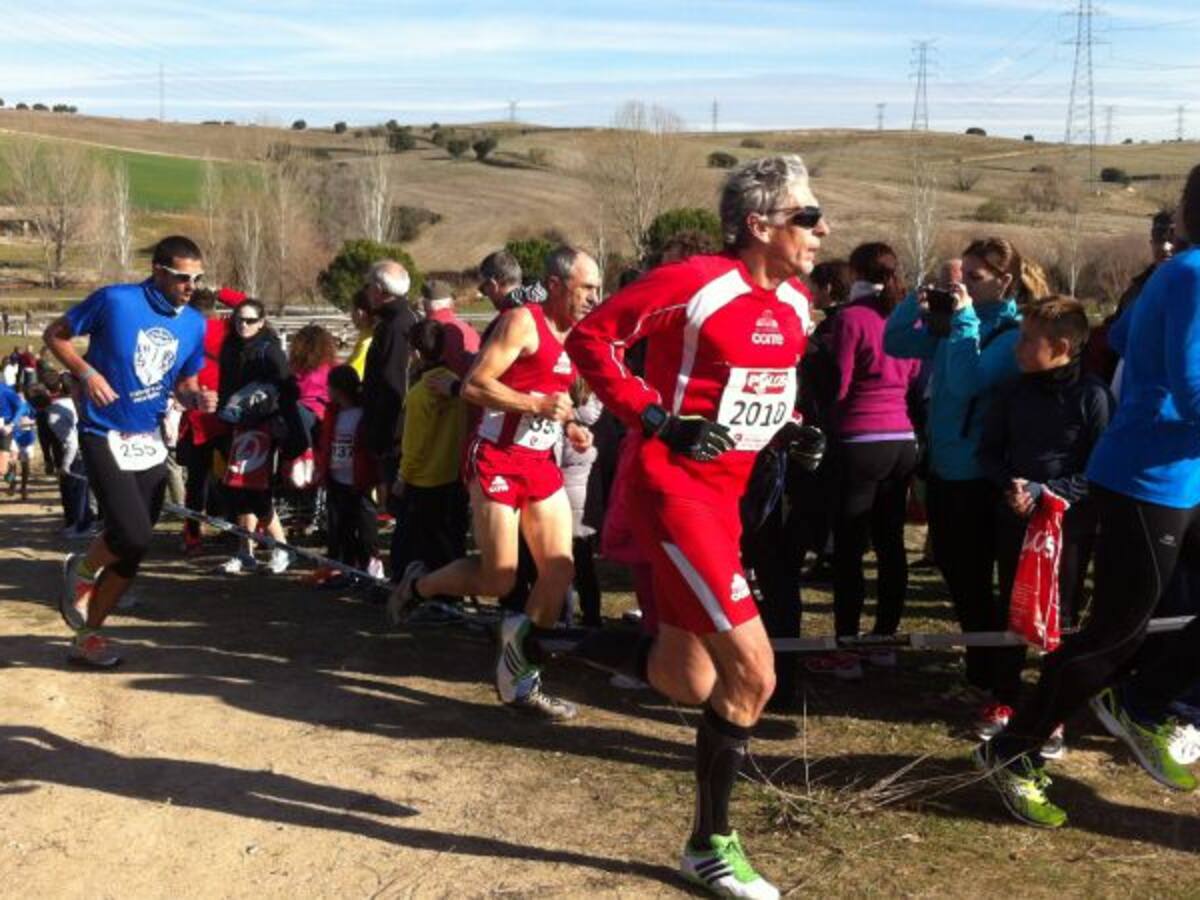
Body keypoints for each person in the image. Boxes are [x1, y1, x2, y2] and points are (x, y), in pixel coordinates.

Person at [566, 155, 825, 900]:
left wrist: (790, 430)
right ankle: (709, 846)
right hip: (674, 492)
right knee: (754, 675)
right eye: (807, 216)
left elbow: (752, 394)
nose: (821, 228)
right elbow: (592, 339)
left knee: (691, 678)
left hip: (728, 497)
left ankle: (543, 638)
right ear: (761, 225)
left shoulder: (795, 303)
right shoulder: (696, 281)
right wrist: (653, 419)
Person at [977, 169, 1200, 827]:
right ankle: (1016, 751)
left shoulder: (1177, 274)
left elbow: (1128, 340)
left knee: (1121, 634)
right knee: (1112, 638)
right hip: (1145, 479)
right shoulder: (1190, 275)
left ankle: (1145, 702)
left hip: (1179, 474)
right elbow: (1190, 390)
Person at [389, 245, 600, 722]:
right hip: (496, 460)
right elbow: (474, 386)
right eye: (586, 288)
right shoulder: (522, 323)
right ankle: (418, 585)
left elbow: (555, 400)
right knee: (498, 575)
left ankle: (520, 672)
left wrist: (570, 426)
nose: (593, 297)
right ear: (555, 284)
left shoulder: (577, 334)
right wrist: (535, 406)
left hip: (539, 462)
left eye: (597, 289)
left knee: (559, 569)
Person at [884, 237, 1049, 736]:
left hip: (983, 474)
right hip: (946, 467)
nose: (965, 285)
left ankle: (1002, 683)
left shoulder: (1008, 329)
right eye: (963, 275)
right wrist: (916, 300)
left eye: (975, 277)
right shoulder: (961, 319)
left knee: (988, 582)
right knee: (958, 572)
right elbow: (894, 344)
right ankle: (981, 672)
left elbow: (964, 383)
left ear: (1005, 280)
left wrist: (961, 321)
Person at [43, 235, 214, 668]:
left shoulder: (194, 322)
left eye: (197, 278)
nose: (190, 286)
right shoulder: (116, 300)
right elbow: (55, 335)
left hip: (149, 439)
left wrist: (196, 397)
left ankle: (88, 636)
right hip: (103, 431)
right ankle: (81, 571)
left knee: (135, 548)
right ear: (158, 271)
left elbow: (185, 380)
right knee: (132, 531)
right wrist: (85, 373)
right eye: (181, 277)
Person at [977, 297, 1113, 757]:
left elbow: (1100, 467)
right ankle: (1004, 697)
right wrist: (1012, 488)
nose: (1017, 348)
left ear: (1060, 346)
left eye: (1028, 340)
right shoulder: (1011, 391)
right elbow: (989, 451)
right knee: (1010, 605)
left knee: (1063, 614)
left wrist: (1049, 492)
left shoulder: (1093, 395)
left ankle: (1051, 714)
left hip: (1067, 525)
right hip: (1014, 516)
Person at [809, 243, 921, 679]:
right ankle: (885, 639)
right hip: (902, 437)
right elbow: (914, 376)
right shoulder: (906, 318)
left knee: (851, 546)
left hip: (861, 436)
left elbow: (840, 381)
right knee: (891, 543)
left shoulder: (852, 320)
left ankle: (847, 646)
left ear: (855, 272)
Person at [217, 299, 293, 575]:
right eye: (239, 319)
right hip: (235, 426)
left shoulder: (269, 350)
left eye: (249, 320)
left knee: (257, 491)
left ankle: (282, 548)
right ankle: (244, 551)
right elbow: (225, 385)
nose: (243, 325)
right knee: (238, 490)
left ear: (261, 322)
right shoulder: (230, 347)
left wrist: (279, 422)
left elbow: (286, 388)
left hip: (262, 427)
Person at [395, 320, 469, 578]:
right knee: (449, 543)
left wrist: (403, 476)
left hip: (424, 479)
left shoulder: (419, 394)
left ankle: (434, 596)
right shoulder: (457, 384)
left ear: (415, 352)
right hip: (452, 473)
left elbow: (414, 443)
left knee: (426, 545)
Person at [315, 364, 381, 585]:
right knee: (339, 527)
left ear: (338, 389)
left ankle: (370, 569)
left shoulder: (363, 414)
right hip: (336, 478)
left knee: (364, 528)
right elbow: (326, 443)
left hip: (359, 480)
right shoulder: (333, 413)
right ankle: (344, 568)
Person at [361, 259, 417, 502]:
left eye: (368, 286)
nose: (366, 292)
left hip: (394, 431)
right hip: (396, 427)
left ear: (378, 289)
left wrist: (382, 437)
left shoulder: (395, 325)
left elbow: (394, 382)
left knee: (398, 503)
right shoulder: (399, 318)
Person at [420, 279, 480, 378]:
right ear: (450, 303)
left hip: (445, 386)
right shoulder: (466, 327)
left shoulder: (427, 331)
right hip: (469, 383)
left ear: (425, 304)